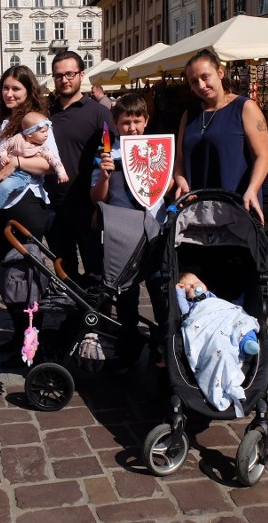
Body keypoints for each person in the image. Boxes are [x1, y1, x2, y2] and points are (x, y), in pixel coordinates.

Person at [0, 66, 58, 369]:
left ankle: (32, 347)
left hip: (26, 206)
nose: (10, 94)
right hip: (2, 206)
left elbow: (49, 164)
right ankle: (20, 335)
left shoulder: (37, 121)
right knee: (0, 274)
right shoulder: (3, 122)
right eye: (6, 88)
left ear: (29, 92)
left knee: (25, 281)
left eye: (17, 89)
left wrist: (17, 161)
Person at [90, 92, 169, 361]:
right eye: (125, 122)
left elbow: (167, 187)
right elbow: (97, 198)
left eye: (137, 121)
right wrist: (104, 175)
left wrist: (169, 178)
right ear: (115, 122)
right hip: (123, 235)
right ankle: (129, 345)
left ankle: (165, 346)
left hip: (155, 230)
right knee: (125, 297)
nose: (132, 127)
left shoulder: (158, 148)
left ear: (146, 121)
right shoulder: (106, 153)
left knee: (161, 293)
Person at [174, 49, 268, 223]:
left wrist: (252, 190)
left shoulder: (245, 108)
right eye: (194, 82)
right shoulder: (189, 115)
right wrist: (180, 181)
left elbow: (262, 156)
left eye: (205, 77)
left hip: (236, 207)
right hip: (197, 211)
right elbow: (179, 160)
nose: (201, 86)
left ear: (220, 72)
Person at [45, 51, 116, 285]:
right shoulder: (45, 113)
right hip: (54, 205)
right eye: (58, 76)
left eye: (70, 74)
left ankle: (99, 318)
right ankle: (74, 318)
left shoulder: (98, 112)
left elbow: (113, 152)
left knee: (96, 268)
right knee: (65, 270)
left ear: (81, 75)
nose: (64, 80)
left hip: (88, 206)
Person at [175, 271, 260, 417]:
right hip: (204, 321)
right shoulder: (190, 305)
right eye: (189, 286)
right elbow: (183, 311)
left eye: (196, 281)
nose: (195, 285)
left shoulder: (215, 297)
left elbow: (233, 306)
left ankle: (247, 343)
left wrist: (243, 298)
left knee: (243, 321)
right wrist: (179, 292)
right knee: (217, 344)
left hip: (224, 313)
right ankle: (233, 352)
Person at [0, 111, 68, 221]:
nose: (46, 134)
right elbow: (3, 147)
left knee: (5, 187)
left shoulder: (43, 147)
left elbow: (54, 161)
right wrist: (3, 156)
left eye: (46, 131)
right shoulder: (17, 137)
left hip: (21, 176)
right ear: (29, 133)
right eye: (43, 132)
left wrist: (61, 172)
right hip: (1, 168)